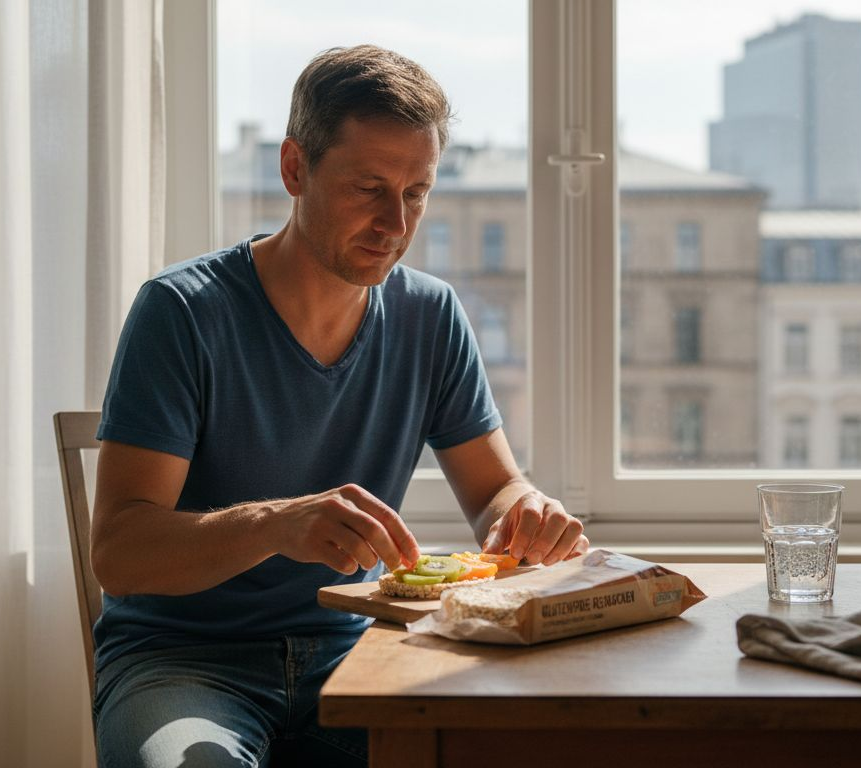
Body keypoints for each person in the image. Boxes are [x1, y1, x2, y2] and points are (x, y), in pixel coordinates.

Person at [90, 45, 587, 767]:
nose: (396, 222)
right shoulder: (183, 311)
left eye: (416, 193)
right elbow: (120, 553)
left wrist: (526, 511)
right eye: (369, 188)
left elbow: (494, 492)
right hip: (184, 660)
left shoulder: (430, 315)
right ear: (295, 169)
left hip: (361, 655)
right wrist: (274, 522)